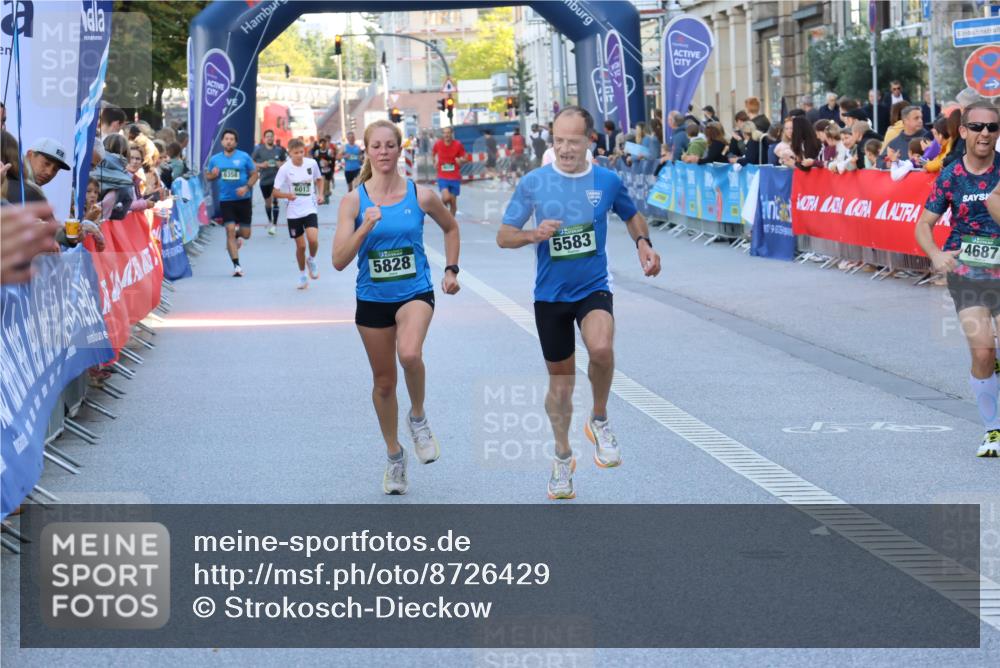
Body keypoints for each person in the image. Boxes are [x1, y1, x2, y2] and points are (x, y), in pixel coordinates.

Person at [496, 106, 661, 499]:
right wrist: (533, 234)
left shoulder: (605, 180)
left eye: (573, 140)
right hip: (550, 295)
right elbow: (504, 235)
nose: (565, 148)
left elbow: (632, 215)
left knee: (601, 349)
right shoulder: (535, 182)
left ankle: (599, 420)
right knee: (562, 386)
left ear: (590, 141)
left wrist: (643, 244)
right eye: (558, 140)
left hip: (592, 287)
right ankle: (563, 456)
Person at [332, 120, 461, 494]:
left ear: (400, 149)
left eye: (390, 145)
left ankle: (418, 417)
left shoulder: (420, 196)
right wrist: (364, 228)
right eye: (377, 146)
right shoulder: (354, 202)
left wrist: (451, 269)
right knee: (384, 383)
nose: (384, 152)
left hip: (415, 291)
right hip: (372, 298)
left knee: (409, 353)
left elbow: (450, 228)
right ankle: (394, 456)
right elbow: (339, 260)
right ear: (367, 152)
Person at [918, 101, 1000, 456]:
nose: (985, 133)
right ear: (963, 131)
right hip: (967, 272)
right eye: (978, 127)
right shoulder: (950, 175)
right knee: (983, 352)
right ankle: (993, 431)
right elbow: (924, 224)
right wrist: (936, 254)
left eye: (992, 128)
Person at [273, 138, 324, 289]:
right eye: (296, 153)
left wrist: (320, 194)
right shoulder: (285, 169)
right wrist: (287, 196)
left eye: (301, 152)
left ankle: (312, 259)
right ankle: (302, 275)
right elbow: (275, 192)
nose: (299, 155)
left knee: (313, 240)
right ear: (289, 152)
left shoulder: (312, 164)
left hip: (309, 208)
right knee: (301, 247)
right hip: (293, 212)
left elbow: (319, 179)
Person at [205, 128, 258, 277]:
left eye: (231, 139)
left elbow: (255, 174)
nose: (228, 141)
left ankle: (236, 236)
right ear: (222, 141)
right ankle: (237, 266)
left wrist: (247, 186)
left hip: (244, 200)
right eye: (226, 139)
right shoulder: (215, 159)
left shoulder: (244, 157)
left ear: (236, 142)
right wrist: (212, 175)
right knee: (229, 230)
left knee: (246, 234)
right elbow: (208, 176)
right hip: (226, 200)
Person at [252, 129, 287, 236]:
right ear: (264, 138)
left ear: (273, 137)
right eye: (267, 136)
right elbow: (252, 161)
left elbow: (284, 162)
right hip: (264, 180)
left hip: (276, 180)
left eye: (271, 136)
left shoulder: (279, 150)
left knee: (275, 201)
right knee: (268, 202)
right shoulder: (259, 150)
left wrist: (279, 164)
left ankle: (274, 225)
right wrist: (261, 165)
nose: (270, 138)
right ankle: (270, 221)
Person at [432, 126, 468, 217]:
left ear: (452, 134)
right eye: (444, 133)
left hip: (455, 176)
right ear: (442, 134)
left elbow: (465, 157)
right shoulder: (438, 144)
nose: (446, 135)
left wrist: (461, 161)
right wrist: (435, 161)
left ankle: (451, 224)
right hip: (442, 176)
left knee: (453, 203)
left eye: (448, 133)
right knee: (446, 197)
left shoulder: (458, 144)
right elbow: (433, 154)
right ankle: (440, 209)